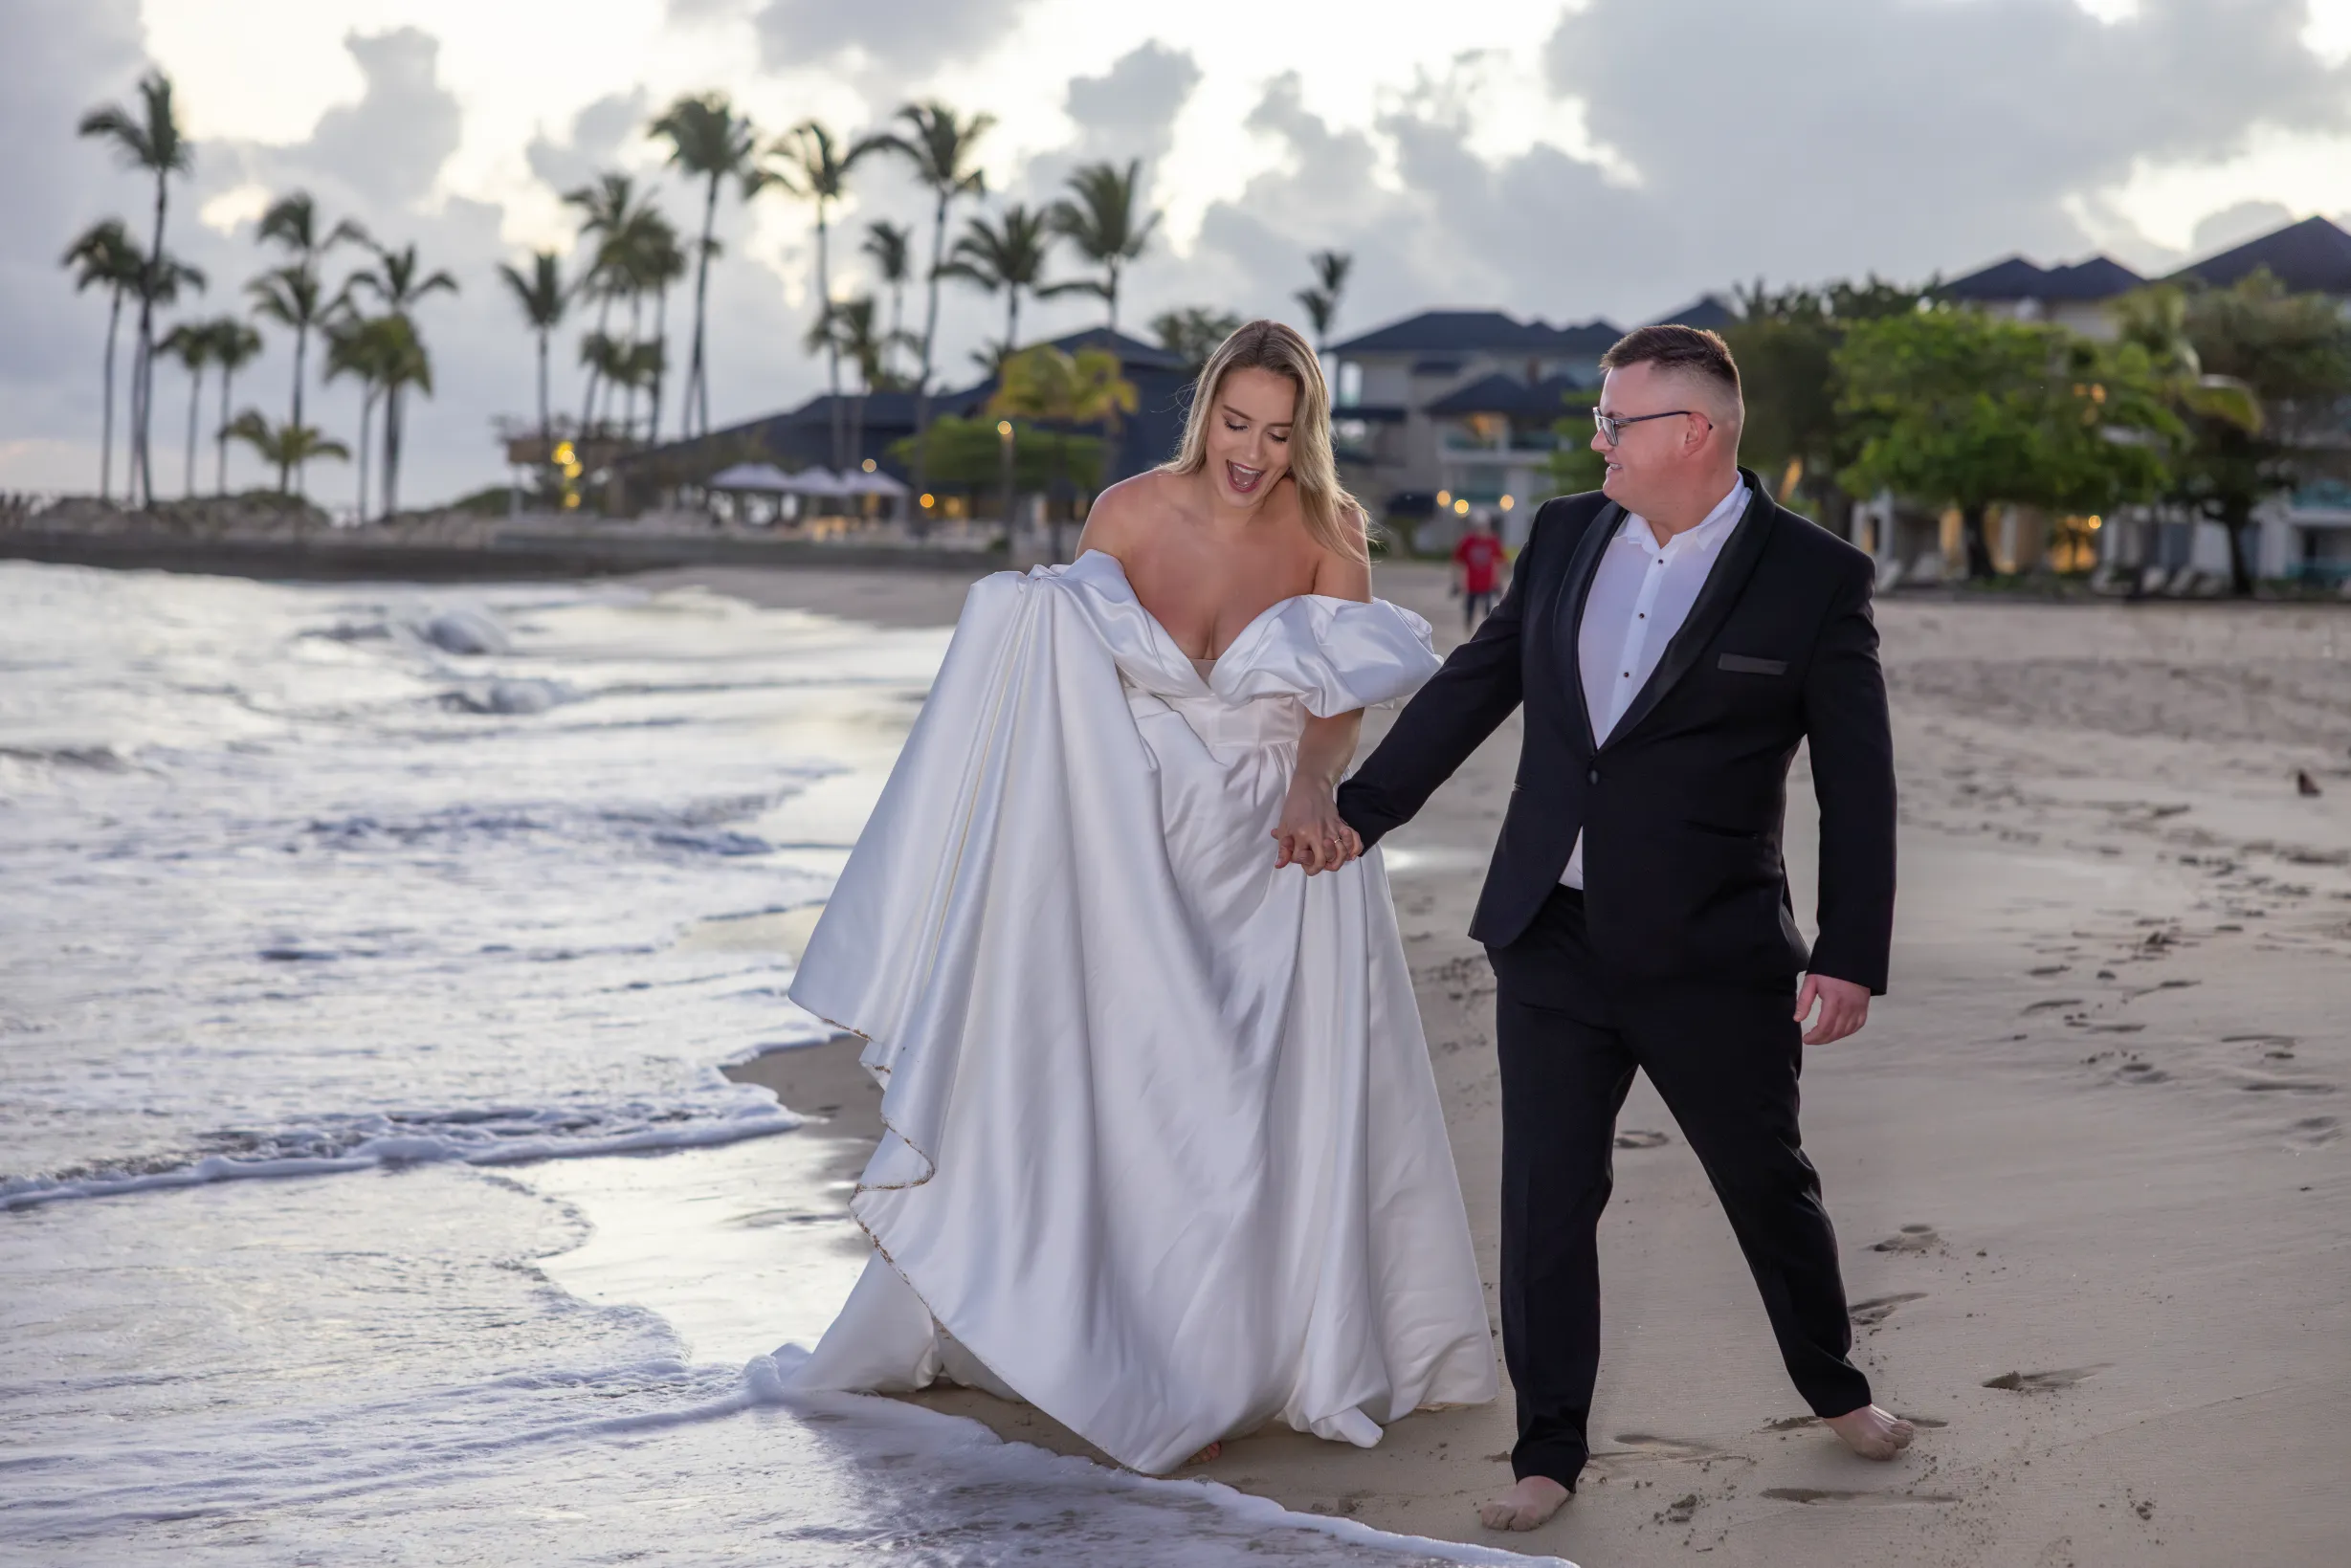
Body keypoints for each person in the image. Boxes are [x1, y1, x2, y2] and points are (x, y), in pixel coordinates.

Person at [785, 320, 1497, 1473]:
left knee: (1254, 1113)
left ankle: (1233, 1355)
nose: (1252, 452)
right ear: (1205, 406)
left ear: (1303, 431)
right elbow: (1059, 683)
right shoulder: (1123, 513)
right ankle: (1111, 1338)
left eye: (1277, 431)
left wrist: (1317, 786)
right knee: (1129, 1093)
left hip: (1275, 847)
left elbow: (1340, 693)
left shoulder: (1330, 531)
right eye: (1234, 422)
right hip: (1133, 847)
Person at [1336, 325, 1912, 1533]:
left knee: (1768, 1185)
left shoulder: (1813, 578)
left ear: (1692, 433)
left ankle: (1835, 1386)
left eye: (1618, 420)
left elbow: (1858, 781)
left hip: (1715, 953)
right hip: (1550, 931)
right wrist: (1359, 813)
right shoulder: (1562, 534)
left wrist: (1854, 951)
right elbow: (1478, 684)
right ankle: (1548, 1452)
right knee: (1547, 1200)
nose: (1596, 439)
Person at [1453, 509, 1508, 630]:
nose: (1481, 530)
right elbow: (1458, 562)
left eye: (1483, 526)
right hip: (1472, 583)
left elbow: (1501, 562)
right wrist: (1457, 582)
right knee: (1470, 608)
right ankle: (1468, 629)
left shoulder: (1493, 541)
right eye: (1479, 527)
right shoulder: (1468, 541)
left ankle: (1487, 630)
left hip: (1487, 583)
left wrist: (1499, 582)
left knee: (1488, 609)